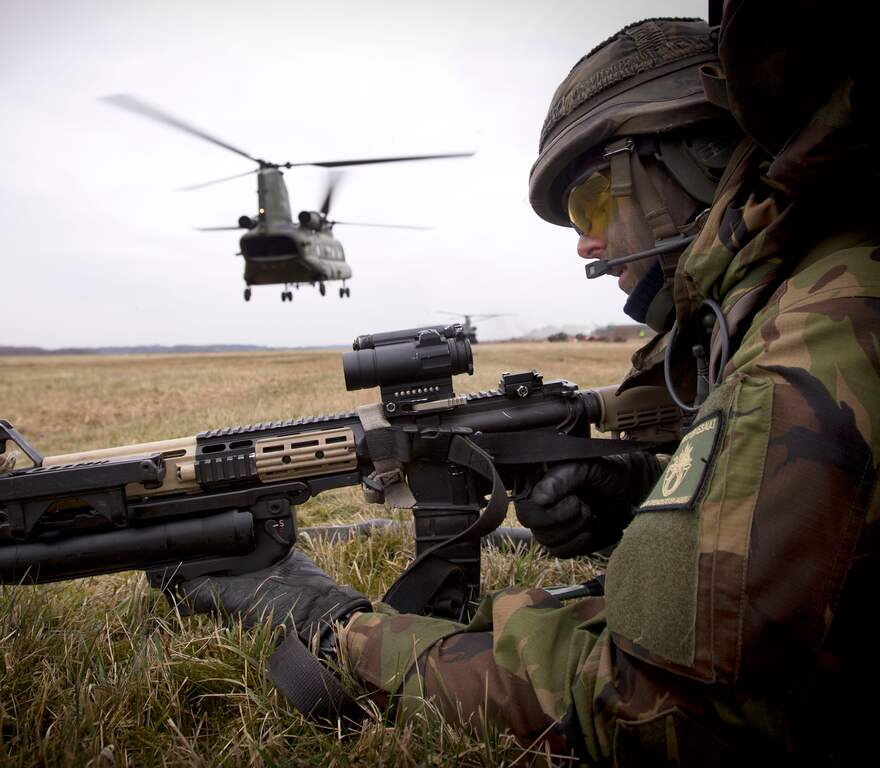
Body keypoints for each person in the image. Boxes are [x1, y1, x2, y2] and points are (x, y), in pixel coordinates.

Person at [185, 11, 880, 764]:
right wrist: (638, 497)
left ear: (701, 159)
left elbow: (660, 711)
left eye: (591, 204)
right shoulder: (822, 286)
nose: (584, 242)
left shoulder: (813, 331)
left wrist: (346, 635)